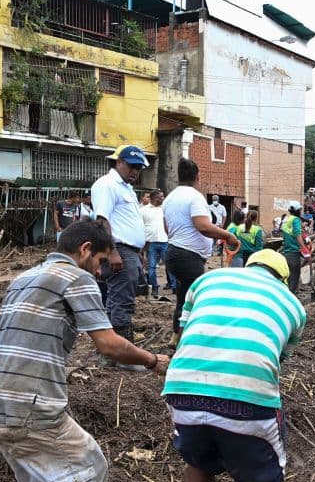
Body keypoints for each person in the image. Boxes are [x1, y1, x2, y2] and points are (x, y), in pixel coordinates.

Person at [0, 220, 169, 482]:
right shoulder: (74, 278)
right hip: (31, 402)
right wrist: (153, 360)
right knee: (89, 471)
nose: (100, 271)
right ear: (84, 250)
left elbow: (97, 350)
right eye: (100, 261)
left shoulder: (26, 278)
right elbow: (109, 344)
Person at [165, 249, 305, 482]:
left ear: (248, 265)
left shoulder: (207, 280)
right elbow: (276, 359)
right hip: (247, 395)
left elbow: (184, 334)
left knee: (197, 463)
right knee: (263, 478)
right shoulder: (293, 306)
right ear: (283, 279)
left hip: (182, 387)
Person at [163, 159, 239, 341]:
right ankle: (187, 340)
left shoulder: (169, 198)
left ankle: (176, 337)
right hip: (188, 256)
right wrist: (227, 235)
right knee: (194, 300)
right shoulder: (194, 197)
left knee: (183, 296)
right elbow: (203, 226)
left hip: (174, 252)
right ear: (197, 177)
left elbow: (167, 228)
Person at [90, 145, 149, 368]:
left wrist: (138, 253)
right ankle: (124, 356)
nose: (136, 171)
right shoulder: (108, 185)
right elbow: (102, 220)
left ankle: (111, 355)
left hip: (128, 250)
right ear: (119, 163)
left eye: (139, 168)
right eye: (133, 166)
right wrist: (113, 251)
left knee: (115, 301)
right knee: (121, 302)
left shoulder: (126, 188)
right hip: (118, 249)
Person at [141, 189, 172, 300]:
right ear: (154, 198)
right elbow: (140, 227)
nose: (162, 198)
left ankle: (173, 286)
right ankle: (154, 287)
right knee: (152, 267)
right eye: (160, 196)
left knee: (170, 266)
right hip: (151, 242)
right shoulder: (143, 210)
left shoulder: (165, 209)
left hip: (165, 241)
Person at [280, 202, 308, 293]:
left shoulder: (286, 219)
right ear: (296, 210)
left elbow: (290, 233)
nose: (300, 211)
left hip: (286, 252)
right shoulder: (295, 220)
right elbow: (297, 234)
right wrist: (303, 248)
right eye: (300, 210)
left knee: (287, 279)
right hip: (294, 253)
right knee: (293, 279)